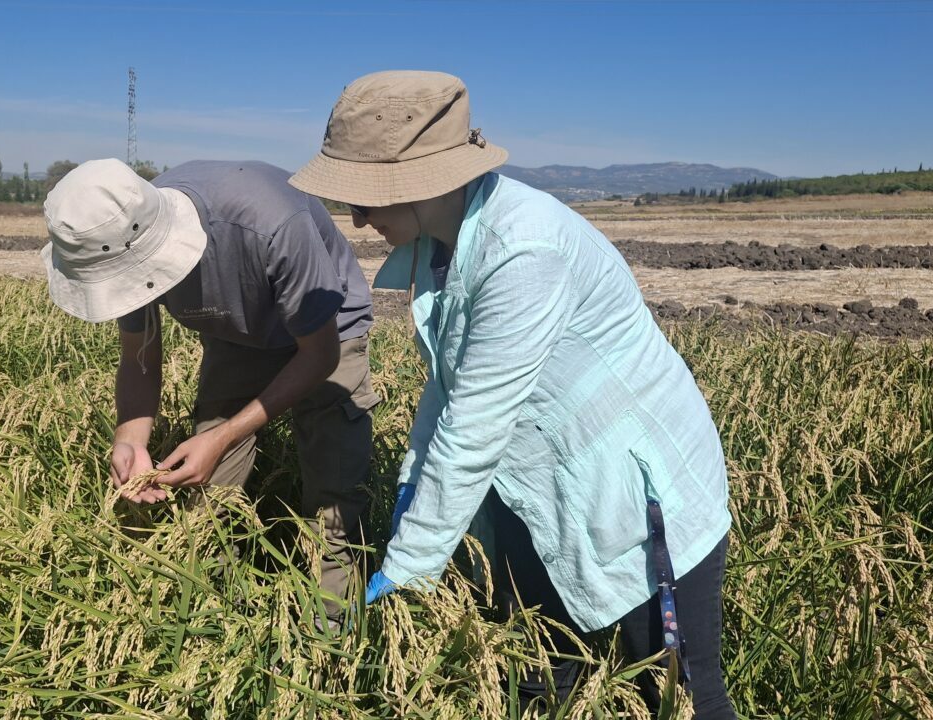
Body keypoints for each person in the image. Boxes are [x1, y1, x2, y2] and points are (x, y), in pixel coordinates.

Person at [289, 71, 734, 716]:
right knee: (539, 675)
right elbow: (448, 386)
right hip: (533, 486)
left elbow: (474, 424)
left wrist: (410, 564)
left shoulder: (524, 250)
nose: (356, 218)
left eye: (366, 199)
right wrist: (413, 485)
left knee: (679, 694)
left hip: (637, 498)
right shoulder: (440, 243)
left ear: (423, 183)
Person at [41, 158, 379, 617]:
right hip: (236, 335)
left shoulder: (273, 224)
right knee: (209, 501)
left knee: (333, 498)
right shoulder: (116, 236)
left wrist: (223, 435)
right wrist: (130, 440)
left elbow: (319, 357)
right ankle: (213, 618)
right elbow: (140, 356)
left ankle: (330, 630)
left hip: (328, 331)